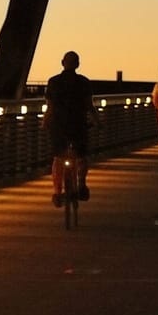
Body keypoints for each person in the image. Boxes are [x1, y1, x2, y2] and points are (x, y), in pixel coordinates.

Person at [45, 50, 95, 205]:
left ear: (62, 63)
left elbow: (50, 107)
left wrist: (44, 122)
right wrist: (98, 122)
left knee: (58, 158)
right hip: (78, 125)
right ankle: (81, 184)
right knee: (81, 156)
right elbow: (89, 106)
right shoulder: (84, 82)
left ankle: (57, 192)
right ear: (78, 64)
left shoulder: (53, 82)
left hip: (58, 126)